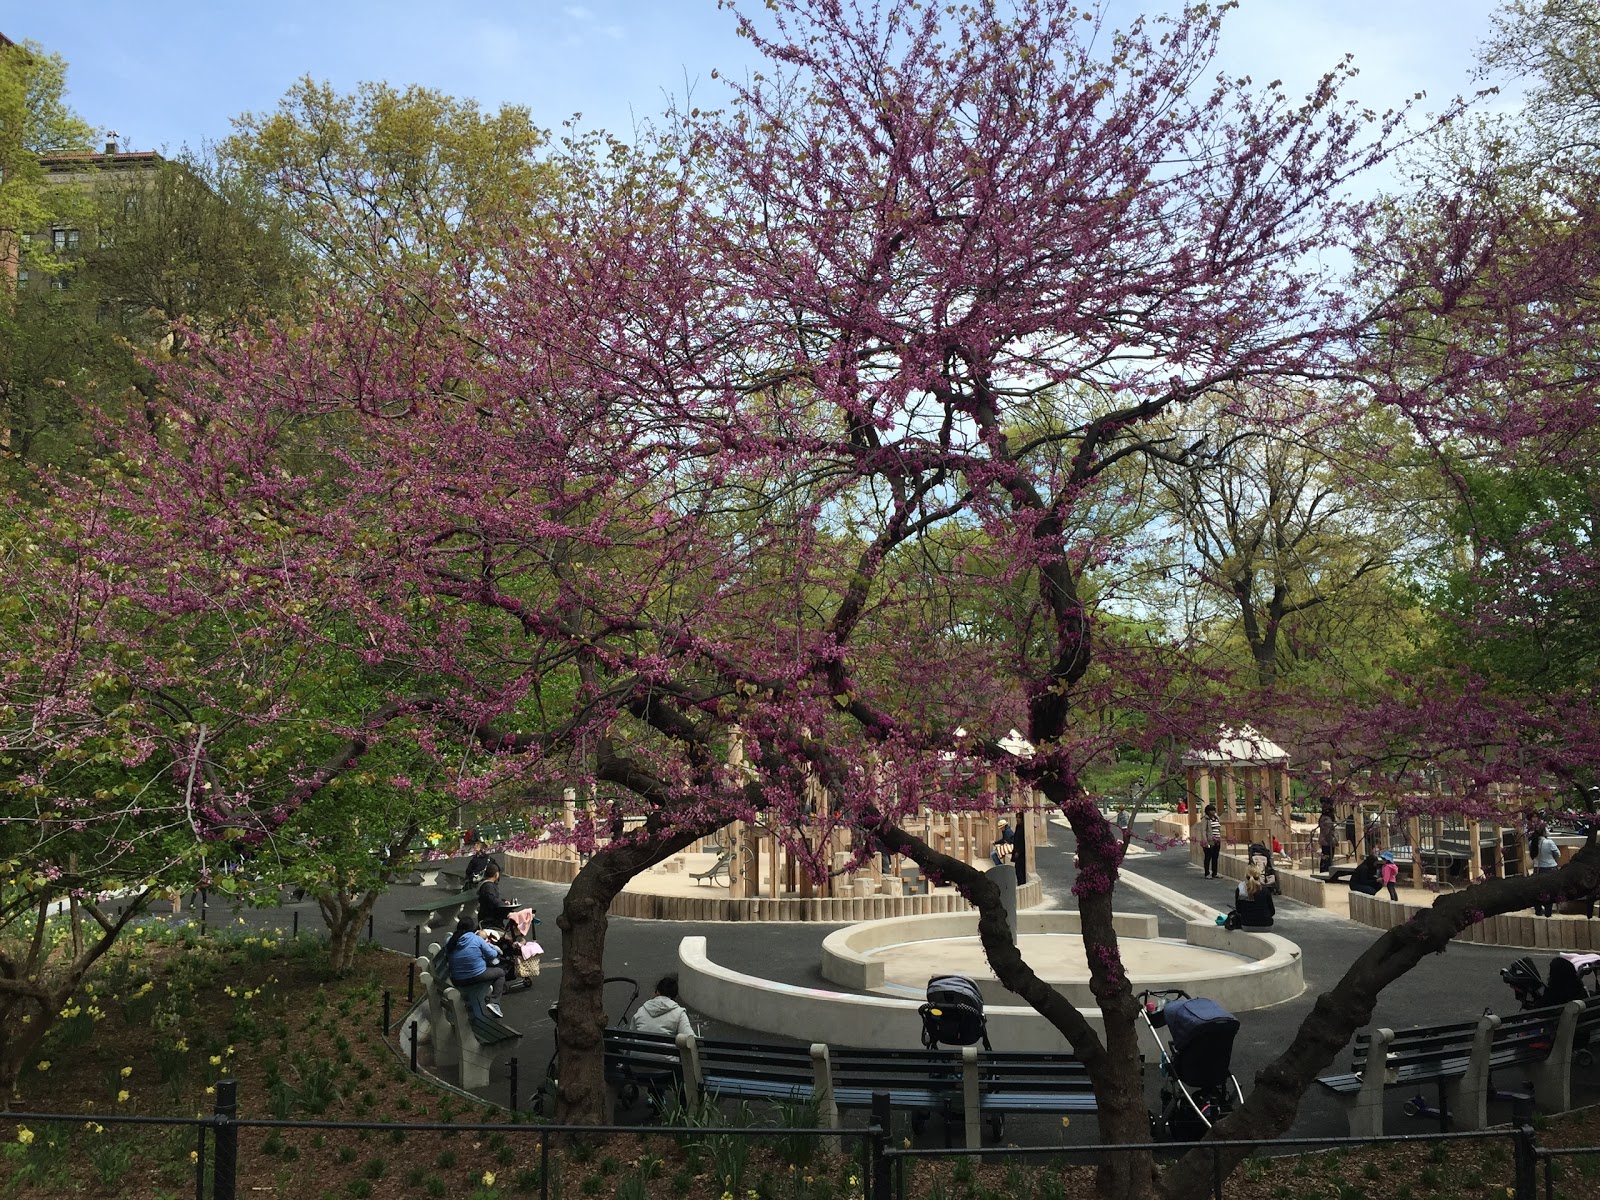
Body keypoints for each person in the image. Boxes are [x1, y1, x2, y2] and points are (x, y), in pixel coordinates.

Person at [444, 917, 506, 1018]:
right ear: (472, 928)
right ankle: (494, 1002)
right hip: (476, 976)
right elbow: (491, 955)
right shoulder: (476, 939)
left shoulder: (451, 941)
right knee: (500, 973)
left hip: (457, 979)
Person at [629, 975, 696, 1040]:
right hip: (664, 1051)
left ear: (657, 992)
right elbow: (690, 1038)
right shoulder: (679, 1013)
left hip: (638, 1050)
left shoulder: (642, 1010)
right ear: (676, 997)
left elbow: (631, 1034)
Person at [1232, 864, 1275, 928]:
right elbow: (1272, 911)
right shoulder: (1265, 891)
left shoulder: (1241, 890)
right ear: (1258, 876)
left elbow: (1239, 910)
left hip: (1247, 924)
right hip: (1266, 925)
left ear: (1246, 876)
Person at [1531, 824, 1561, 917]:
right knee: (1550, 891)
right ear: (1543, 832)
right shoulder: (1549, 842)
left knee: (1537, 891)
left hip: (1537, 870)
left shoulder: (1532, 842)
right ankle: (1548, 912)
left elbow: (1533, 856)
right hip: (1550, 868)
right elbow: (1558, 854)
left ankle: (1538, 911)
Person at [476, 861, 514, 929]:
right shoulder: (488, 886)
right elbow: (493, 901)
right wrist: (506, 908)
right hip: (489, 921)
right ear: (496, 874)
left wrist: (503, 901)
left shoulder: (487, 885)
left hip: (489, 919)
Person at [1201, 805, 1222, 879]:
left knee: (1215, 857)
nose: (1213, 812)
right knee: (1208, 857)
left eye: (1214, 810)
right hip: (1209, 841)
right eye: (1211, 810)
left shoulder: (1216, 819)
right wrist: (1205, 841)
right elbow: (1203, 831)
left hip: (1217, 840)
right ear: (1207, 811)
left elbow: (1219, 828)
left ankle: (1215, 873)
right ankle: (1207, 873)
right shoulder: (1205, 819)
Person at [1318, 806, 1336, 875]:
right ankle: (1326, 871)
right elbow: (1327, 833)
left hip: (1324, 841)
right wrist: (1332, 842)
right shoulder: (1328, 821)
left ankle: (1324, 870)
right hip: (1327, 842)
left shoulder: (1323, 819)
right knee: (1328, 858)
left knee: (1325, 857)